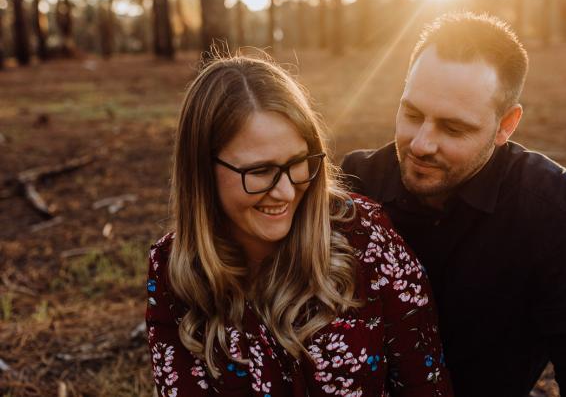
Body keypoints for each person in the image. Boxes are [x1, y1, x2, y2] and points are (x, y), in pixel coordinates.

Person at [342, 12, 566, 397]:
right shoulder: (356, 184)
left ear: (506, 125)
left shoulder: (560, 215)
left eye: (453, 128)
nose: (421, 143)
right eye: (412, 114)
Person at [145, 54, 454, 397]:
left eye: (297, 163)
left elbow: (424, 384)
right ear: (202, 170)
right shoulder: (174, 268)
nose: (286, 191)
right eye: (259, 171)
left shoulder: (365, 236)